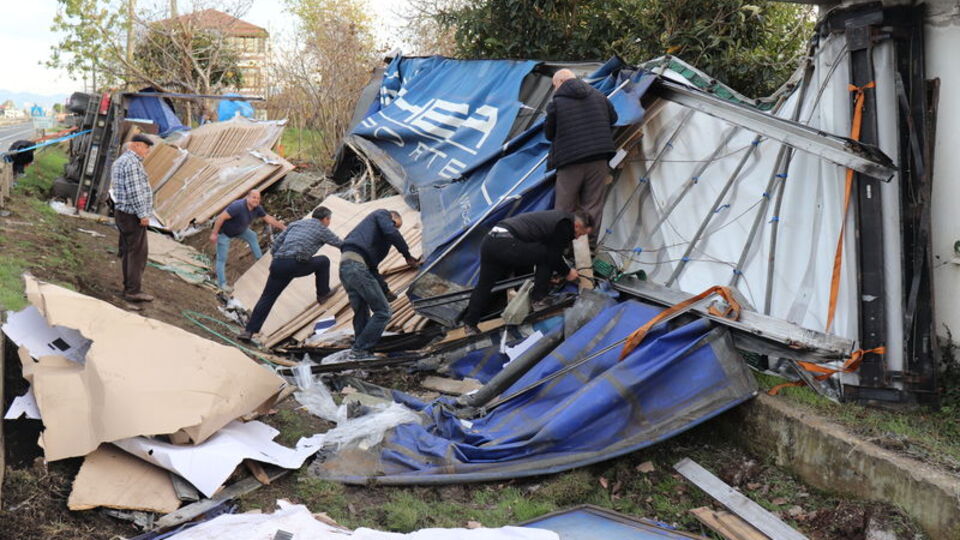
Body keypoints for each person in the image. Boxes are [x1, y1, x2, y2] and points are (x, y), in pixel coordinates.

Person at [461, 210, 593, 334]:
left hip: (491, 239)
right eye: (581, 234)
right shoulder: (564, 225)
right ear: (576, 226)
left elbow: (535, 251)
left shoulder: (556, 218)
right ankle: (539, 299)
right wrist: (567, 272)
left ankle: (470, 323)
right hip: (506, 241)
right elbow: (553, 255)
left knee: (484, 285)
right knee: (545, 255)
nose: (577, 238)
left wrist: (548, 275)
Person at [238, 206, 342, 342]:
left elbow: (275, 246)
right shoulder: (323, 229)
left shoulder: (295, 224)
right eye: (329, 220)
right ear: (325, 219)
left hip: (278, 264)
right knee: (323, 261)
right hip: (296, 264)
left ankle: (248, 331)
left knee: (267, 297)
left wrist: (280, 258)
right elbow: (340, 244)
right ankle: (323, 294)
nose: (329, 222)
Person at [544, 68, 618, 246]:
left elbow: (549, 133)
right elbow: (614, 119)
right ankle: (589, 245)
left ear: (560, 82)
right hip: (599, 158)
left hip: (571, 161)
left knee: (563, 208)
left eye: (555, 86)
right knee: (593, 205)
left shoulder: (556, 103)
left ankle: (561, 246)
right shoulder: (600, 96)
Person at [339, 209, 420, 359]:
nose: (394, 228)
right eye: (395, 224)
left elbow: (372, 268)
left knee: (362, 312)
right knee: (383, 312)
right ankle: (359, 350)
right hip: (356, 267)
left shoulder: (375, 240)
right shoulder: (381, 214)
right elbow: (391, 233)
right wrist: (407, 255)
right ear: (392, 217)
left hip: (347, 268)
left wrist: (385, 290)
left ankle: (361, 351)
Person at [209, 189, 286, 292]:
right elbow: (220, 218)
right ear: (248, 197)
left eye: (258, 198)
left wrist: (284, 228)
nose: (256, 200)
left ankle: (260, 259)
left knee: (252, 236)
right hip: (224, 233)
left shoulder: (257, 208)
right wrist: (214, 233)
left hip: (240, 230)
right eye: (254, 197)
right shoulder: (237, 207)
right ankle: (222, 284)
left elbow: (269, 219)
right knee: (221, 259)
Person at [110, 134, 155, 303]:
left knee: (130, 251)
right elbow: (135, 191)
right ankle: (133, 291)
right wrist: (143, 214)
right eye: (145, 147)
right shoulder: (131, 163)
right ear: (136, 146)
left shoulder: (122, 161)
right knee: (137, 254)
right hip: (132, 215)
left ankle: (129, 287)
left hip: (124, 213)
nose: (147, 151)